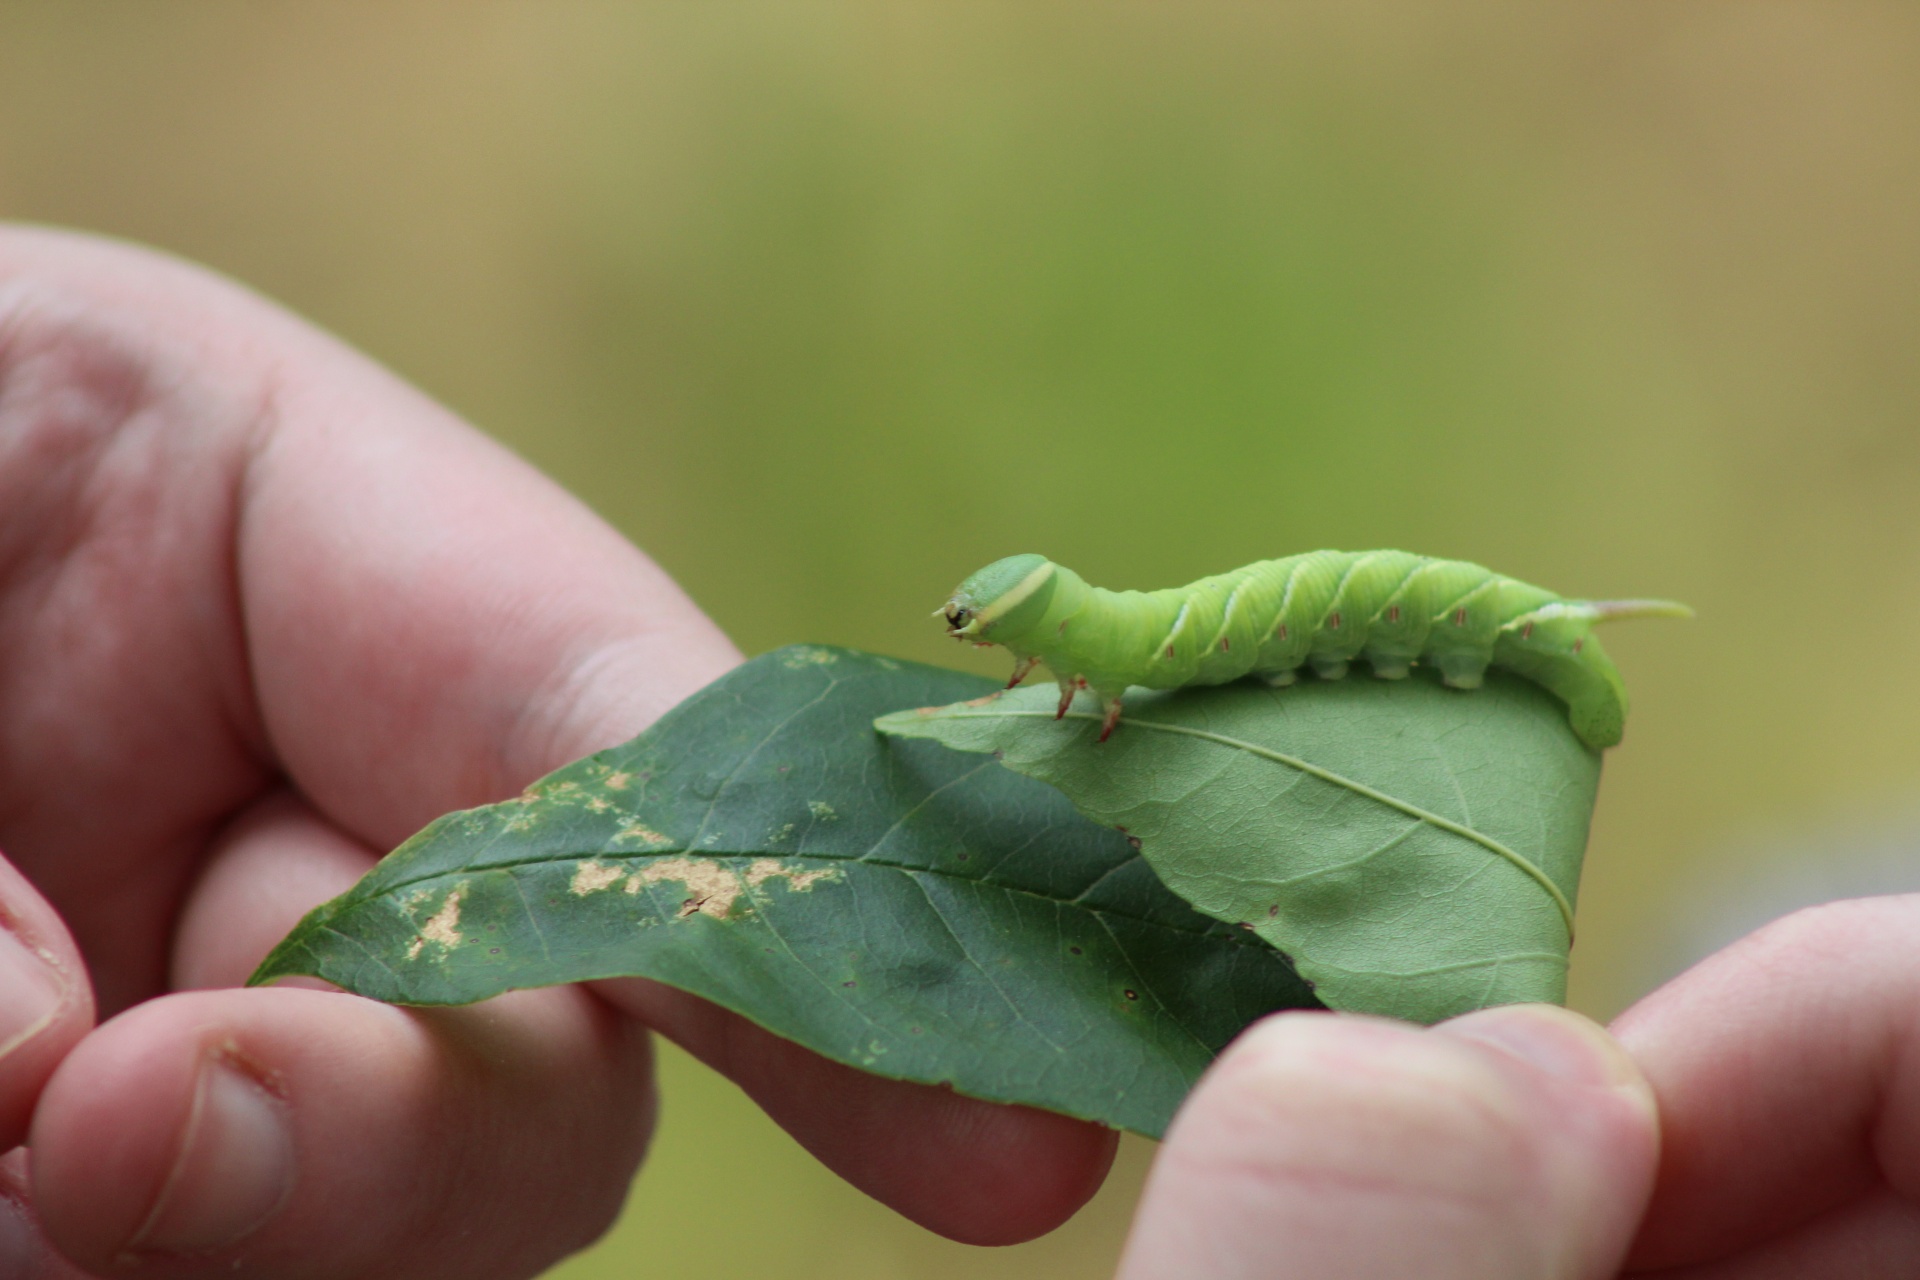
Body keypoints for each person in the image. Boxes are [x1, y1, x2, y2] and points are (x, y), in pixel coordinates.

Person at [0, 226, 1911, 1279]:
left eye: (995, 632)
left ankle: (1544, 648)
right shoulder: (1114, 665)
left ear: (1041, 636)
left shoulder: (1139, 662)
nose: (979, 644)